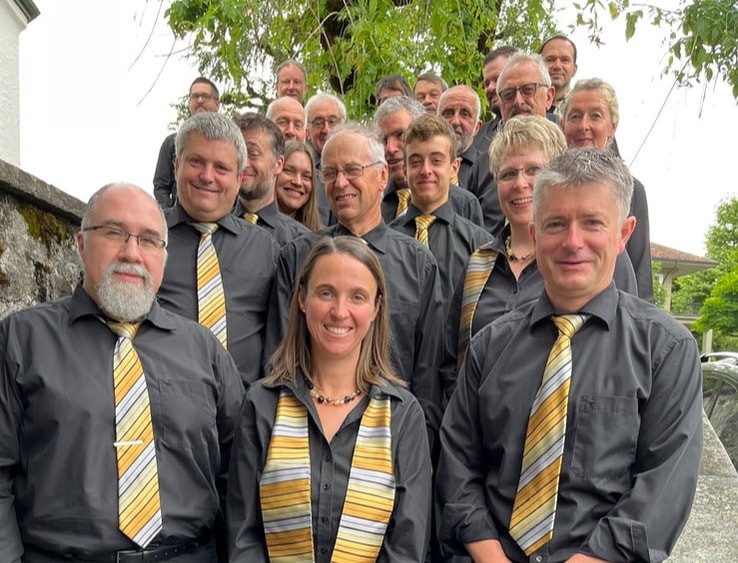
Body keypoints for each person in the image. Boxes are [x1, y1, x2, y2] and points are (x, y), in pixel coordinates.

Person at [437, 149, 703, 562]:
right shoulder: (489, 347)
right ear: (535, 233)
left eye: (592, 223)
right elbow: (457, 467)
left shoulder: (666, 352)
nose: (572, 242)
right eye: (556, 224)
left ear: (623, 233)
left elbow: (661, 493)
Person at [0, 183, 244, 562]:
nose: (132, 253)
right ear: (81, 243)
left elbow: (238, 475)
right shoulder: (20, 340)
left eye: (148, 240)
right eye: (114, 233)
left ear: (164, 256)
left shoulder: (205, 351)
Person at [227, 236, 432, 562]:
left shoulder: (403, 417)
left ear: (376, 308)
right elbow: (243, 538)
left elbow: (407, 547)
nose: (340, 312)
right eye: (326, 293)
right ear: (302, 299)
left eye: (357, 297)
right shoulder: (262, 405)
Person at [266, 123, 445, 446]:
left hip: (391, 439)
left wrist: (421, 450)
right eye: (330, 173)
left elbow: (428, 375)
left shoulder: (419, 265)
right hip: (305, 435)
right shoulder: (296, 257)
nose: (340, 183)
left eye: (352, 170)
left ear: (382, 176)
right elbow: (279, 357)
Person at [443, 117, 640, 399]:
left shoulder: (597, 260)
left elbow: (625, 344)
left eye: (533, 170)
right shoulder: (477, 264)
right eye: (508, 174)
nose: (520, 183)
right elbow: (451, 362)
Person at [157, 112, 279, 385]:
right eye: (196, 162)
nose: (207, 176)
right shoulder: (144, 238)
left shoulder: (265, 249)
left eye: (221, 168)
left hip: (243, 405)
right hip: (158, 401)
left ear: (239, 178)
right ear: (176, 166)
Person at [561, 78, 653, 302]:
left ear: (612, 127)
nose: (584, 126)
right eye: (575, 116)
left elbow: (641, 272)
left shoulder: (632, 191)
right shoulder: (546, 188)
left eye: (595, 116)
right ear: (562, 124)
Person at [389, 114, 492, 309]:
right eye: (416, 162)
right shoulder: (386, 243)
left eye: (436, 161)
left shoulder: (479, 246)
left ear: (454, 168)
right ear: (405, 170)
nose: (425, 170)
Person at [373, 95, 483, 227]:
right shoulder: (372, 201)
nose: (390, 148)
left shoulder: (464, 204)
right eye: (383, 140)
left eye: (401, 135)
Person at [232, 112, 309, 246]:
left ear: (278, 164)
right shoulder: (211, 229)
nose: (244, 163)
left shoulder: (300, 242)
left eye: (253, 154)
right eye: (239, 155)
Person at [438, 85, 503, 236]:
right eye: (448, 113)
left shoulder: (491, 169)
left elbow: (488, 232)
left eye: (465, 114)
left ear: (477, 127)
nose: (455, 121)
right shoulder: (421, 167)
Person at [154, 77, 220, 208]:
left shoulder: (230, 145)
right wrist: (169, 213)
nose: (199, 100)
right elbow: (161, 186)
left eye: (205, 96)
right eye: (195, 96)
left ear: (217, 104)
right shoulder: (172, 143)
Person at [305, 93, 347, 225]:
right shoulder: (303, 171)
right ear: (307, 131)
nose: (326, 129)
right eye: (318, 123)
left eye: (333, 121)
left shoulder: (360, 164)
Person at [473, 45, 520, 155]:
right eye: (486, 83)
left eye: (498, 79)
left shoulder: (553, 125)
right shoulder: (478, 137)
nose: (490, 88)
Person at [275, 140, 324, 231]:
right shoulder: (252, 228)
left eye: (306, 176)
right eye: (289, 171)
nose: (297, 182)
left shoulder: (319, 236)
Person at [495, 53, 555, 123]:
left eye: (528, 90)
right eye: (509, 94)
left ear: (548, 97)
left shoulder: (563, 128)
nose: (518, 101)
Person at [540, 35, 578, 120]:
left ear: (574, 69)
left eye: (565, 60)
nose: (557, 66)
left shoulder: (582, 107)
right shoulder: (524, 103)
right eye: (550, 60)